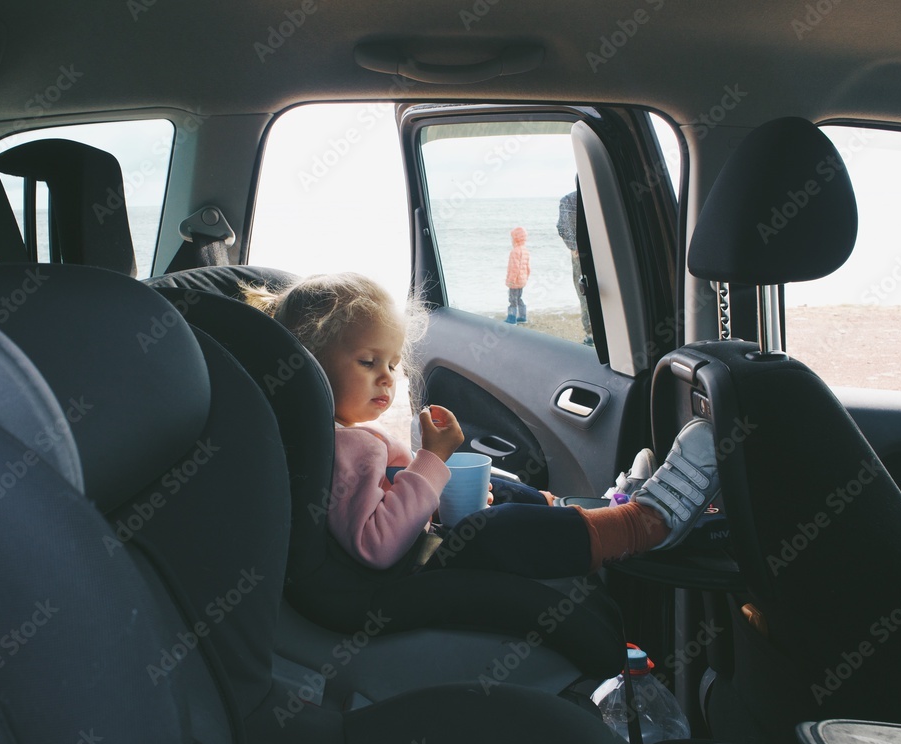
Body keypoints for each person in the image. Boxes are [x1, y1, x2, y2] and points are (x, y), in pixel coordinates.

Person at [246, 272, 720, 579]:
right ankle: (644, 524)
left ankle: (612, 507)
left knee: (501, 490)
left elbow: (384, 502)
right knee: (501, 528)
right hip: (405, 572)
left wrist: (435, 488)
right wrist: (432, 462)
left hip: (421, 539)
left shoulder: (336, 440)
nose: (387, 377)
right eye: (368, 361)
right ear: (307, 364)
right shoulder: (346, 449)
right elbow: (376, 545)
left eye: (392, 362)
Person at [557, 191, 595, 345]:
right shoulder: (603, 193)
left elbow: (563, 227)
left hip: (581, 255)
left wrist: (574, 246)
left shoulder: (569, 199)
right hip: (604, 252)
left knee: (585, 292)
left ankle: (591, 335)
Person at [505, 226, 531, 324]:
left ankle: (511, 318)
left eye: (512, 238)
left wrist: (511, 280)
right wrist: (525, 278)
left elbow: (514, 268)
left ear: (515, 239)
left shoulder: (515, 252)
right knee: (519, 298)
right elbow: (528, 268)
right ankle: (522, 316)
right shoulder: (525, 250)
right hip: (522, 280)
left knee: (512, 299)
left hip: (515, 281)